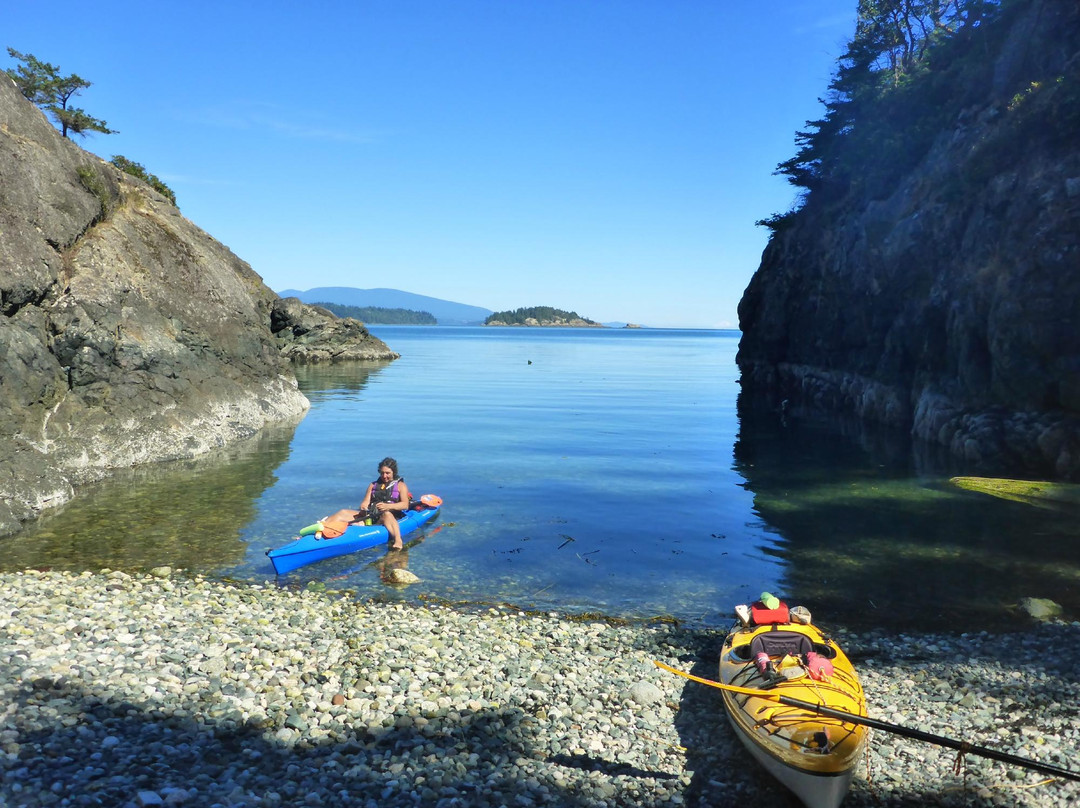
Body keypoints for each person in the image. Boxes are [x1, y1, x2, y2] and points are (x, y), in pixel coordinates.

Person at [325, 457, 412, 549]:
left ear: (393, 472)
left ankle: (398, 540)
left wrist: (388, 506)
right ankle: (322, 526)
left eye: (387, 473)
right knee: (343, 512)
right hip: (370, 516)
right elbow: (365, 503)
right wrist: (363, 508)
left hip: (388, 516)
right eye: (382, 473)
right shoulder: (373, 485)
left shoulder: (400, 485)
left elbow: (405, 505)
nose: (384, 476)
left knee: (387, 514)